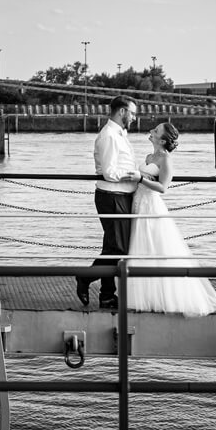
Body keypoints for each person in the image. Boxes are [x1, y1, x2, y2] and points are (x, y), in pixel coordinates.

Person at [127, 122, 216, 316]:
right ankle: (142, 292)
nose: (151, 131)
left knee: (154, 247)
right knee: (139, 246)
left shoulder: (166, 159)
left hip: (151, 206)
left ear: (162, 140)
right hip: (137, 202)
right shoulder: (148, 156)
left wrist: (139, 179)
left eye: (155, 131)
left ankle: (161, 296)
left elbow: (163, 188)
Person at [77, 96, 139, 310]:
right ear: (122, 111)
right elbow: (110, 172)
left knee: (112, 247)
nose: (134, 117)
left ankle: (106, 295)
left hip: (121, 196)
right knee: (118, 249)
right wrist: (136, 175)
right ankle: (84, 278)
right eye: (132, 113)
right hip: (112, 196)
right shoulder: (109, 136)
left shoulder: (121, 134)